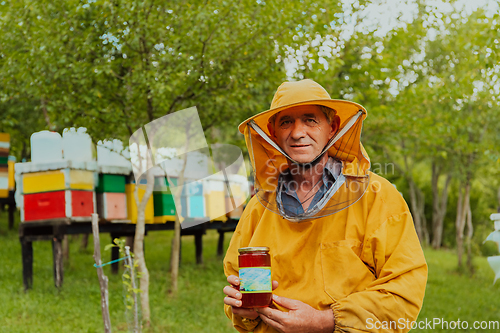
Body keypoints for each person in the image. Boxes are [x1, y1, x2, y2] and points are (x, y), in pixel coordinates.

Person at [223, 79, 427, 333]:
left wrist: (326, 321)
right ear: (273, 133)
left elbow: (405, 291)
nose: (297, 133)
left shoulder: (378, 196)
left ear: (332, 127)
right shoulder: (258, 207)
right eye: (286, 122)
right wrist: (243, 310)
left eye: (310, 120)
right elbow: (237, 284)